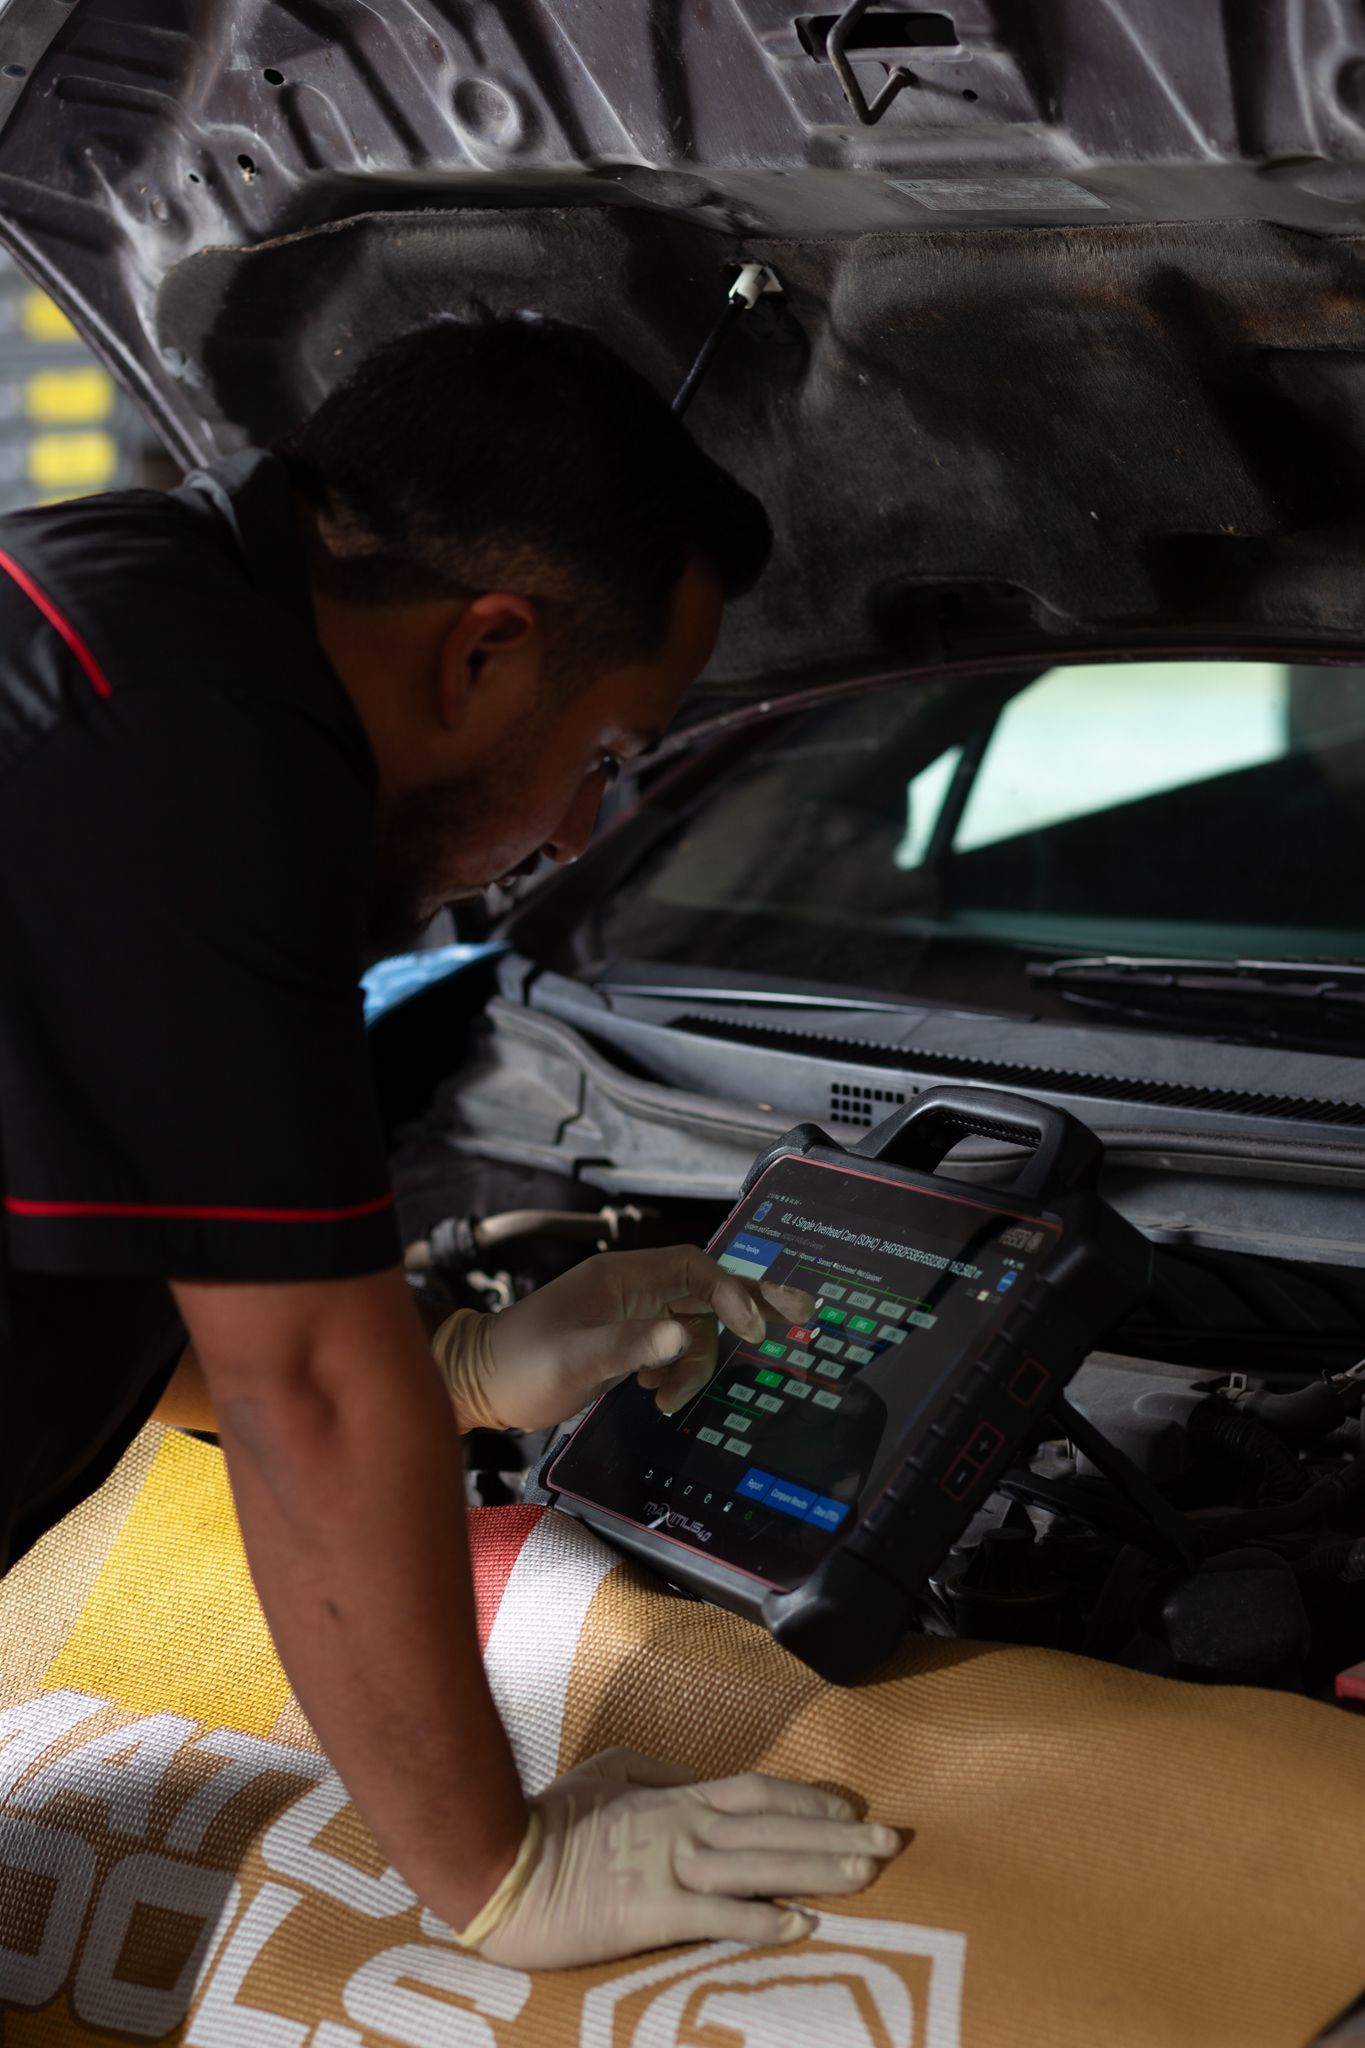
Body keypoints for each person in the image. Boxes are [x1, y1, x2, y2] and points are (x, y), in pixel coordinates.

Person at [0, 317, 898, 1968]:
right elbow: (302, 1389)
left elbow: (127, 1228)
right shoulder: (200, 745)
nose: (566, 838)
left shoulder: (111, 622)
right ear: (481, 654)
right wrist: (500, 1871)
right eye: (603, 758)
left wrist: (460, 1367)